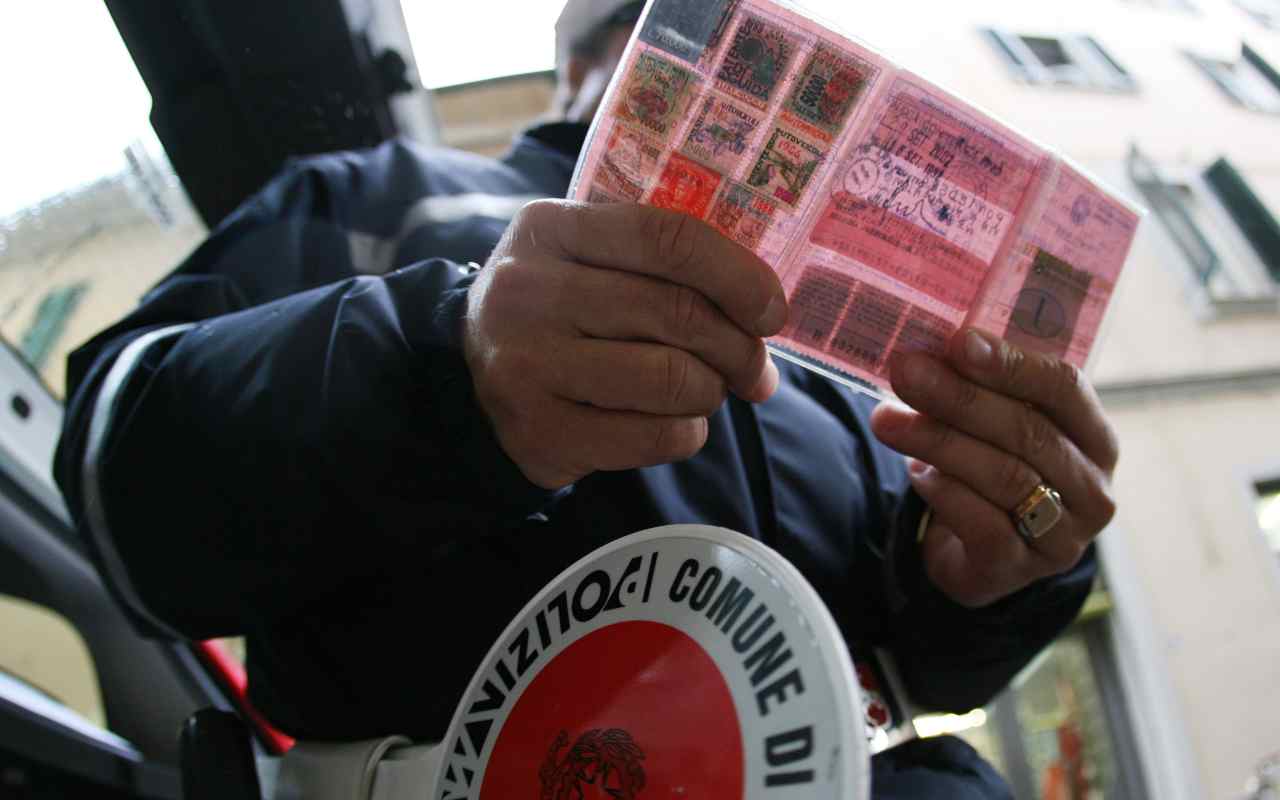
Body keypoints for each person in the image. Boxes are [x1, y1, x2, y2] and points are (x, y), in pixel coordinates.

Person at [53, 1, 1119, 796]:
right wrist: (444, 368)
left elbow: (923, 658)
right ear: (584, 62)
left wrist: (1007, 569)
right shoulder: (374, 195)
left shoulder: (848, 368)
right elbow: (121, 484)